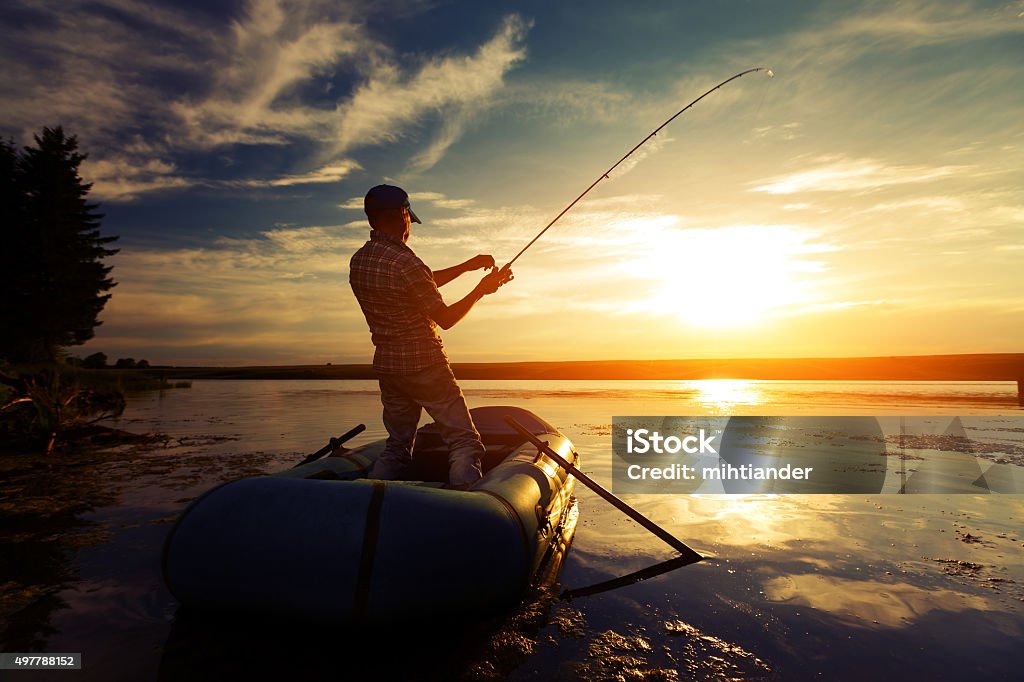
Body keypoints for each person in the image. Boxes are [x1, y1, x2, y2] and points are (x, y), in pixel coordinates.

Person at [349, 184, 513, 488]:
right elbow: (446, 319)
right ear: (402, 214)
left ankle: (367, 500)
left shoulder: (360, 261)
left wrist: (466, 267)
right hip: (426, 364)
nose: (410, 224)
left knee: (397, 448)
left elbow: (420, 282)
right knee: (465, 443)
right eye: (409, 217)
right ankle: (463, 509)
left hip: (388, 367)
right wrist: (482, 290)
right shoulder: (405, 262)